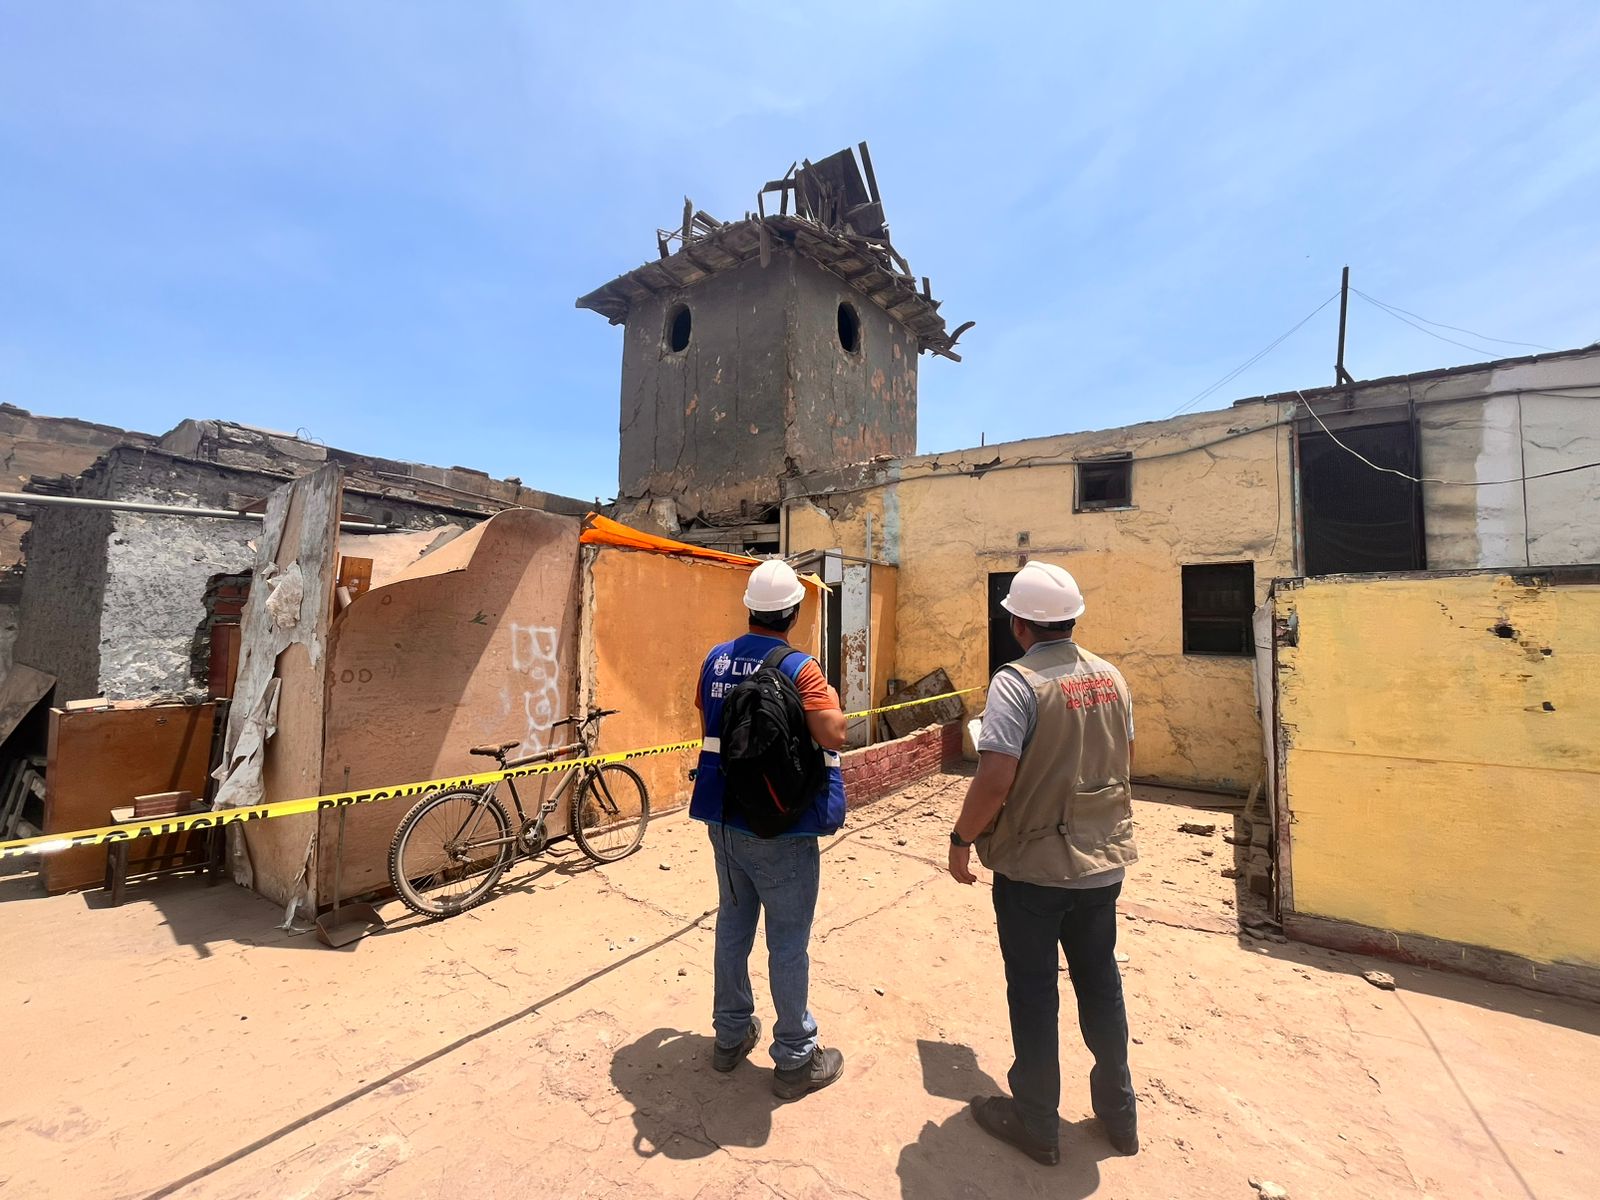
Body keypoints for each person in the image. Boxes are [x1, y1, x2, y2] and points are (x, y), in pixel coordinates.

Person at [946, 559, 1140, 1165]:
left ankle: (1036, 1121)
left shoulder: (1016, 684)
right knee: (1100, 983)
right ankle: (1120, 1114)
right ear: (1072, 619)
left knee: (1033, 992)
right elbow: (1125, 755)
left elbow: (995, 774)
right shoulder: (1112, 677)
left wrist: (961, 837)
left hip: (1033, 869)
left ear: (1019, 624)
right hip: (1101, 863)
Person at [689, 558, 849, 1099]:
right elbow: (835, 733)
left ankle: (730, 1037)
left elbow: (708, 722)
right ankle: (796, 1057)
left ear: (750, 608)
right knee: (787, 940)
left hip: (723, 815)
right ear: (794, 612)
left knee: (733, 927)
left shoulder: (716, 660)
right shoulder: (801, 668)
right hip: (783, 825)